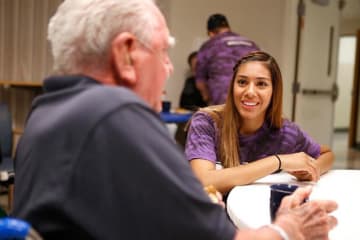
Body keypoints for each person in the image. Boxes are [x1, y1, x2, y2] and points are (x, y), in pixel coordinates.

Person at [11, 1, 337, 239]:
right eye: (163, 52)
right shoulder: (116, 115)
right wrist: (288, 228)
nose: (169, 68)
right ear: (126, 54)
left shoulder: (44, 112)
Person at [185, 51, 334, 194]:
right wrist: (278, 161)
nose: (250, 92)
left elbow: (327, 154)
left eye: (261, 84)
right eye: (242, 82)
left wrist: (313, 169)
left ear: (274, 91)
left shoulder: (286, 132)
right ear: (232, 87)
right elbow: (203, 181)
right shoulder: (207, 122)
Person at [196, 13, 260, 105]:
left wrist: (207, 99)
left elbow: (200, 81)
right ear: (228, 27)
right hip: (250, 97)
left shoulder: (209, 45)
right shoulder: (252, 44)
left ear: (210, 33)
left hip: (222, 99)